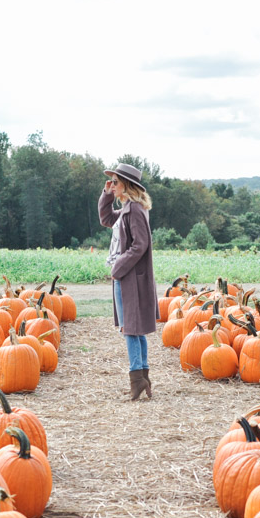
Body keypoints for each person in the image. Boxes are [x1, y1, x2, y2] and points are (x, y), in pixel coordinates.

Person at [98, 163, 158, 400]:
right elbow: (106, 219)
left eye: (115, 182)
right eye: (111, 182)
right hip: (127, 276)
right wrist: (106, 195)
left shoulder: (133, 209)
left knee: (130, 330)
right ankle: (142, 380)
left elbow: (139, 245)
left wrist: (117, 267)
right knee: (136, 330)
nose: (112, 185)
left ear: (126, 185)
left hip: (128, 278)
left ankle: (137, 380)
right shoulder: (128, 209)